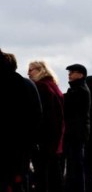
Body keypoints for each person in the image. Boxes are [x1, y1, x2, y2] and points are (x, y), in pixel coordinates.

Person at [0, 50, 42, 192]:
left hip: (7, 144)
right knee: (18, 180)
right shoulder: (28, 84)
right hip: (23, 143)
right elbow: (37, 114)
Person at [28, 60, 65, 192]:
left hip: (44, 137)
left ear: (40, 70)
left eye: (31, 69)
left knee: (42, 174)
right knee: (54, 173)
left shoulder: (41, 87)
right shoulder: (54, 86)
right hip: (55, 136)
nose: (28, 73)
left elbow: (41, 114)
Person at [63, 63, 91, 192]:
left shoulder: (80, 90)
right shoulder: (78, 89)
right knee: (74, 165)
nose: (69, 74)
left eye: (72, 72)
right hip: (76, 132)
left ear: (81, 74)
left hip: (75, 133)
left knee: (75, 165)